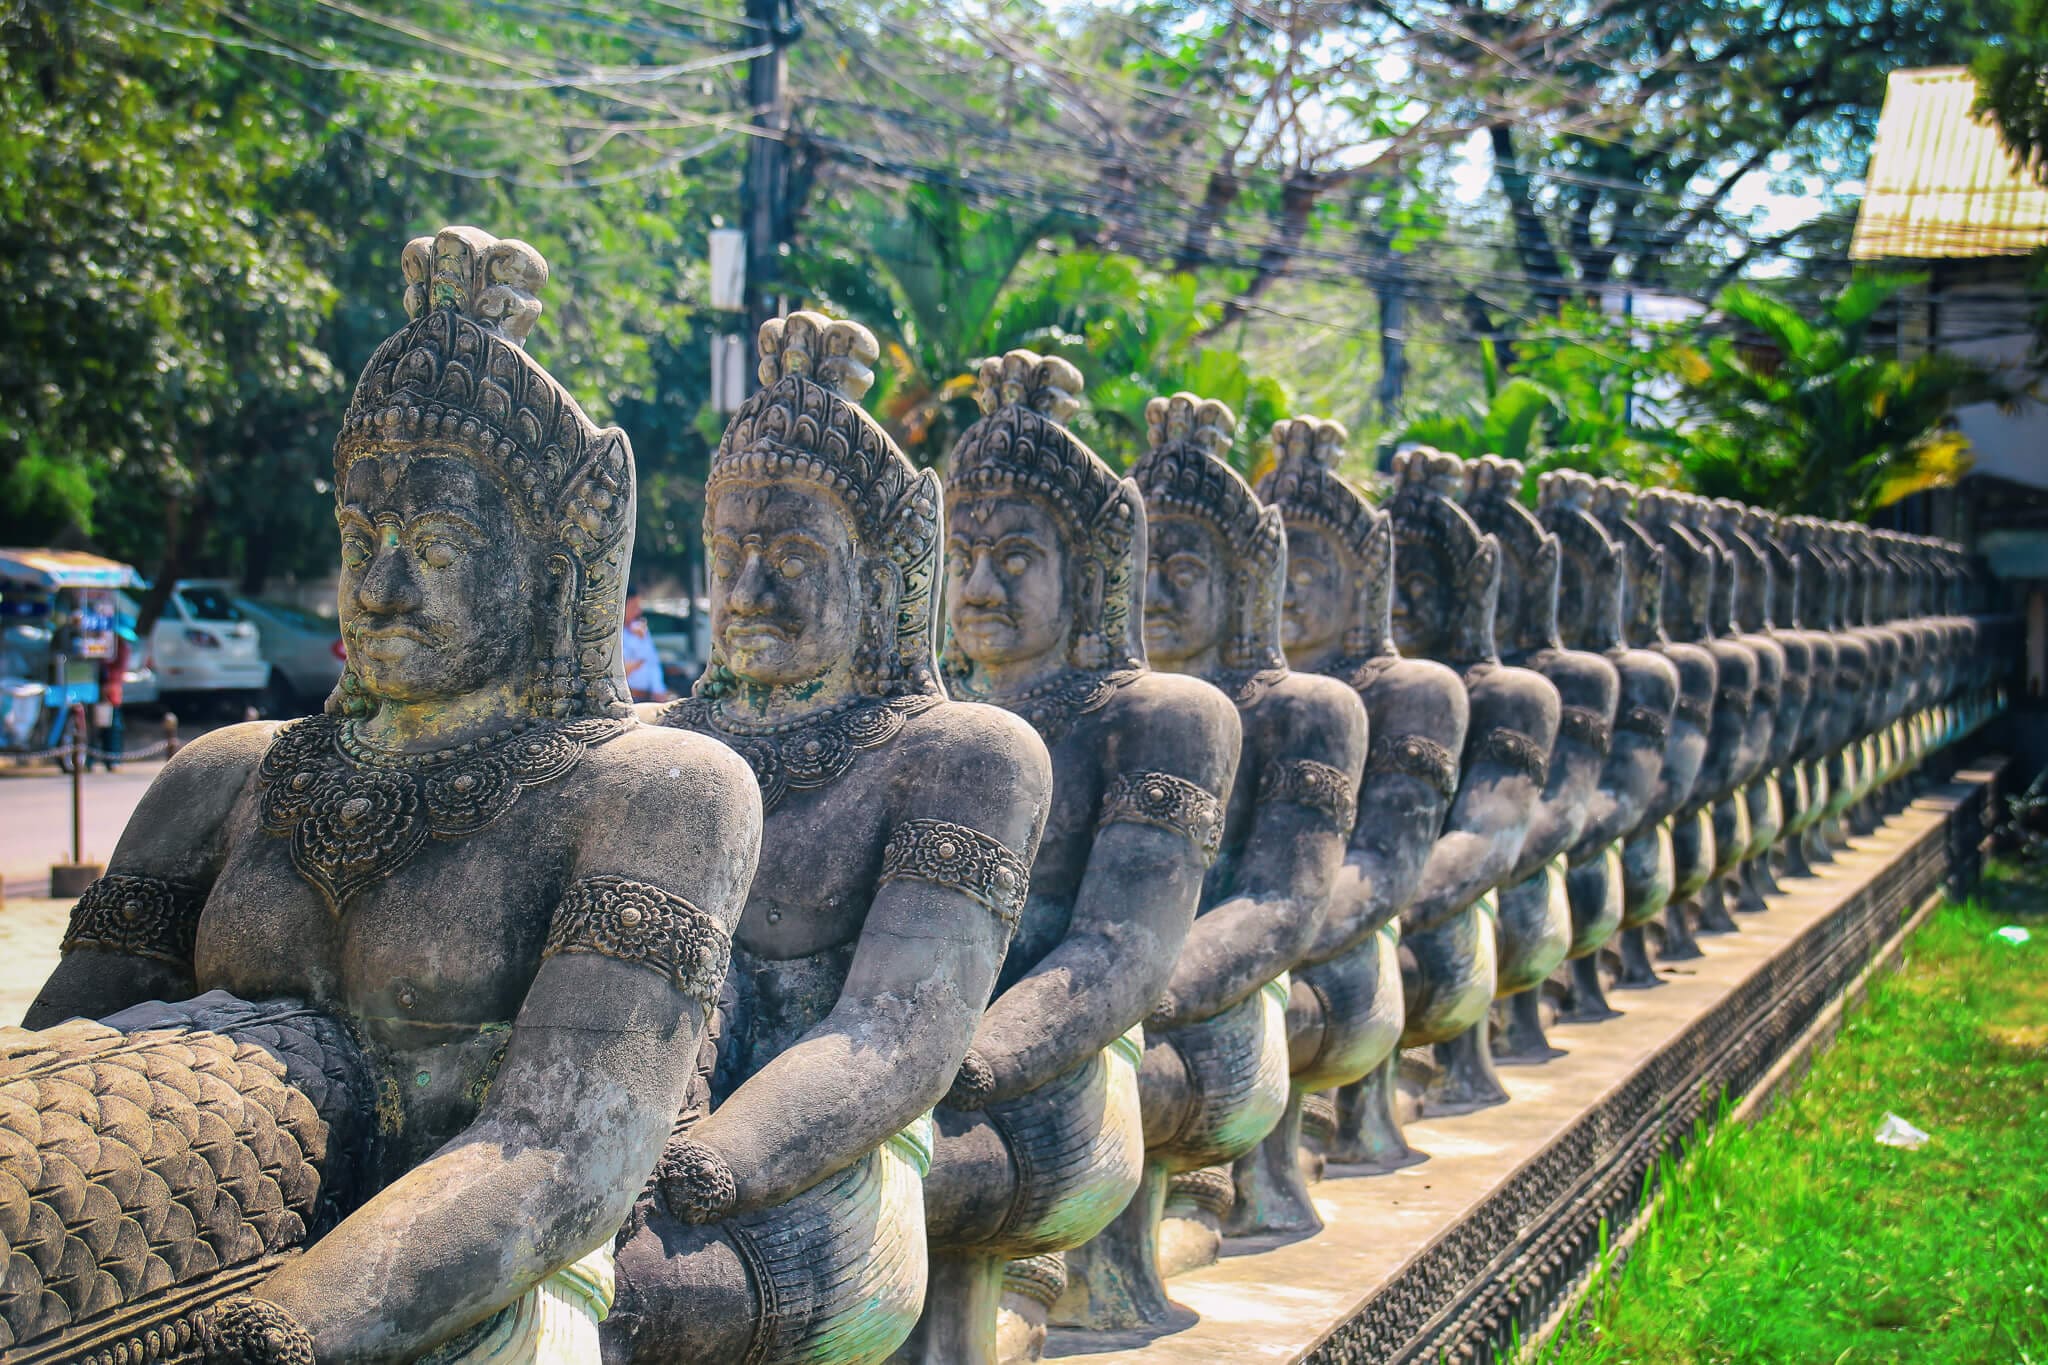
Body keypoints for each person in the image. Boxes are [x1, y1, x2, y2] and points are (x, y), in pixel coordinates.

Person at [622, 584, 671, 701]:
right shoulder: (613, 634)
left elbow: (652, 661)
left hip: (647, 696)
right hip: (627, 697)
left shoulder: (640, 630)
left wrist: (659, 690)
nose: (638, 611)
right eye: (633, 607)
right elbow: (625, 667)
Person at [96, 624, 132, 771]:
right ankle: (108, 760)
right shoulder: (114, 646)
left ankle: (113, 759)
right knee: (104, 727)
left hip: (111, 692)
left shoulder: (121, 647)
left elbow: (116, 672)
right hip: (107, 691)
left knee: (113, 727)